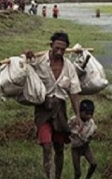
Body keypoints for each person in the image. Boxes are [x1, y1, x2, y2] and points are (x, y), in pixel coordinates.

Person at [25, 32, 82, 179]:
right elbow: (23, 65)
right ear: (51, 46)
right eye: (57, 48)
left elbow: (74, 92)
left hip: (60, 110)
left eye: (63, 49)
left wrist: (78, 115)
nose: (59, 52)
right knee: (46, 146)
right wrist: (27, 55)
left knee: (59, 147)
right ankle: (48, 176)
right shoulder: (39, 61)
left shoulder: (69, 67)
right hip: (43, 109)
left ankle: (57, 177)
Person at [70, 99, 98, 179]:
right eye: (86, 114)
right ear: (80, 112)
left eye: (91, 114)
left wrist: (91, 136)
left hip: (85, 147)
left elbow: (93, 131)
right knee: (78, 172)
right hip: (75, 148)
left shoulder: (91, 122)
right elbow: (67, 129)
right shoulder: (74, 120)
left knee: (94, 164)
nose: (89, 116)